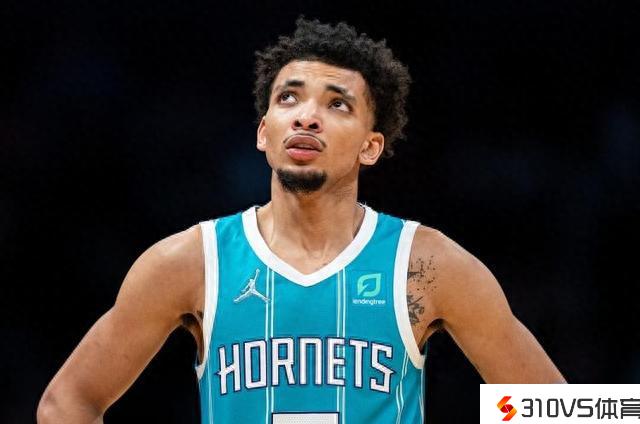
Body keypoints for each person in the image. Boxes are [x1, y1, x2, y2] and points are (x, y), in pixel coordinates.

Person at [37, 17, 565, 424]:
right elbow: (68, 402)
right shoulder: (191, 261)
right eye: (288, 98)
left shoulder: (425, 266)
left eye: (337, 105)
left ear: (371, 146)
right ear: (264, 131)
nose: (306, 116)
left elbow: (557, 408)